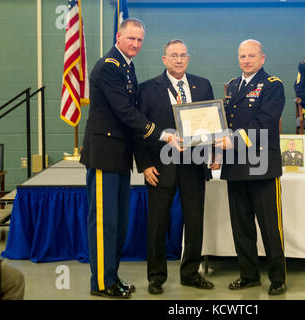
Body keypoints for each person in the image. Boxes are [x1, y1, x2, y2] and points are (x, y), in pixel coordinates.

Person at [80, 18, 180, 299]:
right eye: (131, 39)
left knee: (119, 223)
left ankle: (111, 277)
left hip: (119, 156)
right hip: (104, 155)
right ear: (118, 36)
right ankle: (101, 283)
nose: (136, 44)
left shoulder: (126, 66)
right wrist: (162, 135)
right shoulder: (109, 67)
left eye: (140, 40)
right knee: (104, 223)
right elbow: (126, 111)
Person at [135, 39, 215, 295]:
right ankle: (156, 277)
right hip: (160, 167)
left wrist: (212, 152)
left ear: (188, 58)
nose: (178, 60)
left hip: (194, 166)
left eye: (182, 55)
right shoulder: (147, 89)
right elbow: (138, 130)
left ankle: (191, 273)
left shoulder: (202, 85)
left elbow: (210, 125)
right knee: (158, 224)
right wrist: (145, 165)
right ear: (164, 59)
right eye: (173, 55)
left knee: (194, 223)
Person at [214, 39, 287, 295]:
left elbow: (265, 125)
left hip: (261, 165)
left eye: (251, 56)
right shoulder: (233, 86)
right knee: (241, 227)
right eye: (242, 56)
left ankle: (278, 277)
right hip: (235, 166)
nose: (246, 60)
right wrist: (214, 147)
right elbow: (225, 123)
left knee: (270, 227)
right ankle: (249, 275)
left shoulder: (272, 85)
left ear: (262, 58)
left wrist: (230, 140)